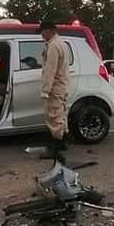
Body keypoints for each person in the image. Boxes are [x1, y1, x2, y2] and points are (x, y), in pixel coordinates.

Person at [39, 20, 69, 160]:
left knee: (54, 117)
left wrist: (46, 90)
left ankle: (55, 150)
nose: (41, 35)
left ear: (50, 30)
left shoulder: (53, 46)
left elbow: (50, 70)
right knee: (61, 115)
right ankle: (62, 143)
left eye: (42, 31)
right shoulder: (61, 43)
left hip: (55, 87)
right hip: (62, 85)